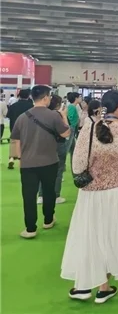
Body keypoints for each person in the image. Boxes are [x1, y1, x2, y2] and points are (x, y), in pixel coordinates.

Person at [61, 90, 118, 304]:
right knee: (114, 237)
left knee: (89, 237)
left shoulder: (89, 128)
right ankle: (103, 288)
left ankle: (82, 286)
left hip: (91, 194)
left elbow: (78, 166)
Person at [9, 86, 70, 238]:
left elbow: (15, 140)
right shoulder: (53, 115)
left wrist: (19, 158)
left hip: (28, 163)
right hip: (50, 161)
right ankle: (48, 220)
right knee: (49, 191)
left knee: (29, 196)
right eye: (49, 96)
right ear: (45, 98)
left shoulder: (22, 117)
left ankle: (30, 228)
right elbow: (66, 133)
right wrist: (64, 116)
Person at [37, 95, 71, 205]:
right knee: (58, 171)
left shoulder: (42, 114)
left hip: (43, 145)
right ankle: (55, 196)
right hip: (58, 144)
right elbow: (66, 131)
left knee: (43, 170)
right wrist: (64, 116)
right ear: (58, 104)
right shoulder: (58, 115)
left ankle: (41, 195)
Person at [7, 89, 33, 169]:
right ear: (28, 96)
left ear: (19, 96)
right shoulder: (31, 106)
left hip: (14, 127)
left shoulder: (13, 105)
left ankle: (11, 159)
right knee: (26, 144)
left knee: (13, 143)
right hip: (27, 128)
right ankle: (23, 160)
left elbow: (8, 116)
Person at [66, 92, 81, 157]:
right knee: (68, 147)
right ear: (76, 98)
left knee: (73, 147)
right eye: (79, 97)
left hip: (73, 128)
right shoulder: (72, 107)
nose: (81, 98)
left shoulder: (73, 106)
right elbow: (69, 117)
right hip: (71, 128)